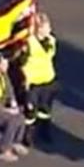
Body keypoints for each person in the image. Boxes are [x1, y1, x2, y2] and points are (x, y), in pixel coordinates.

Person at [20, 12, 58, 147]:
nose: (49, 30)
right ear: (38, 29)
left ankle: (44, 131)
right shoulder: (29, 42)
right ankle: (27, 136)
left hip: (48, 80)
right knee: (30, 111)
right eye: (45, 27)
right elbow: (22, 61)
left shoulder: (51, 40)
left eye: (48, 27)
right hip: (34, 83)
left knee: (45, 109)